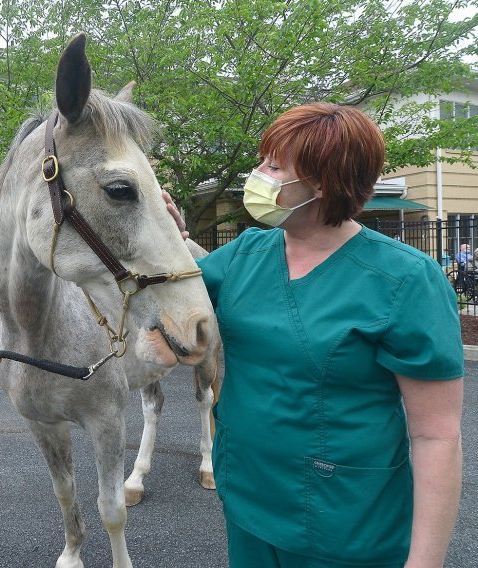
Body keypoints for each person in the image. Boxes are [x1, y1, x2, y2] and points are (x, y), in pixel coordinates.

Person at [170, 102, 463, 567]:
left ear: (324, 182)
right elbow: (165, 308)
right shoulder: (246, 253)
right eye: (262, 160)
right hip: (247, 495)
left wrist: (425, 562)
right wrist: (159, 234)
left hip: (347, 519)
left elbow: (436, 436)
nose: (257, 174)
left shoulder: (405, 280)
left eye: (273, 165)